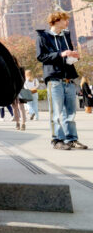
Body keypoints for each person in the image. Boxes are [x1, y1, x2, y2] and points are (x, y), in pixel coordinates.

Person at [37, 11, 87, 150]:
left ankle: (71, 139)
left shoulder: (66, 35)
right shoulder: (43, 36)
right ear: (56, 20)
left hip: (68, 79)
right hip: (54, 80)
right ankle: (57, 140)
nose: (67, 22)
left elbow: (68, 53)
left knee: (70, 113)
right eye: (65, 20)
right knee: (57, 113)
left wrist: (73, 55)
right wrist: (61, 54)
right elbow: (41, 57)